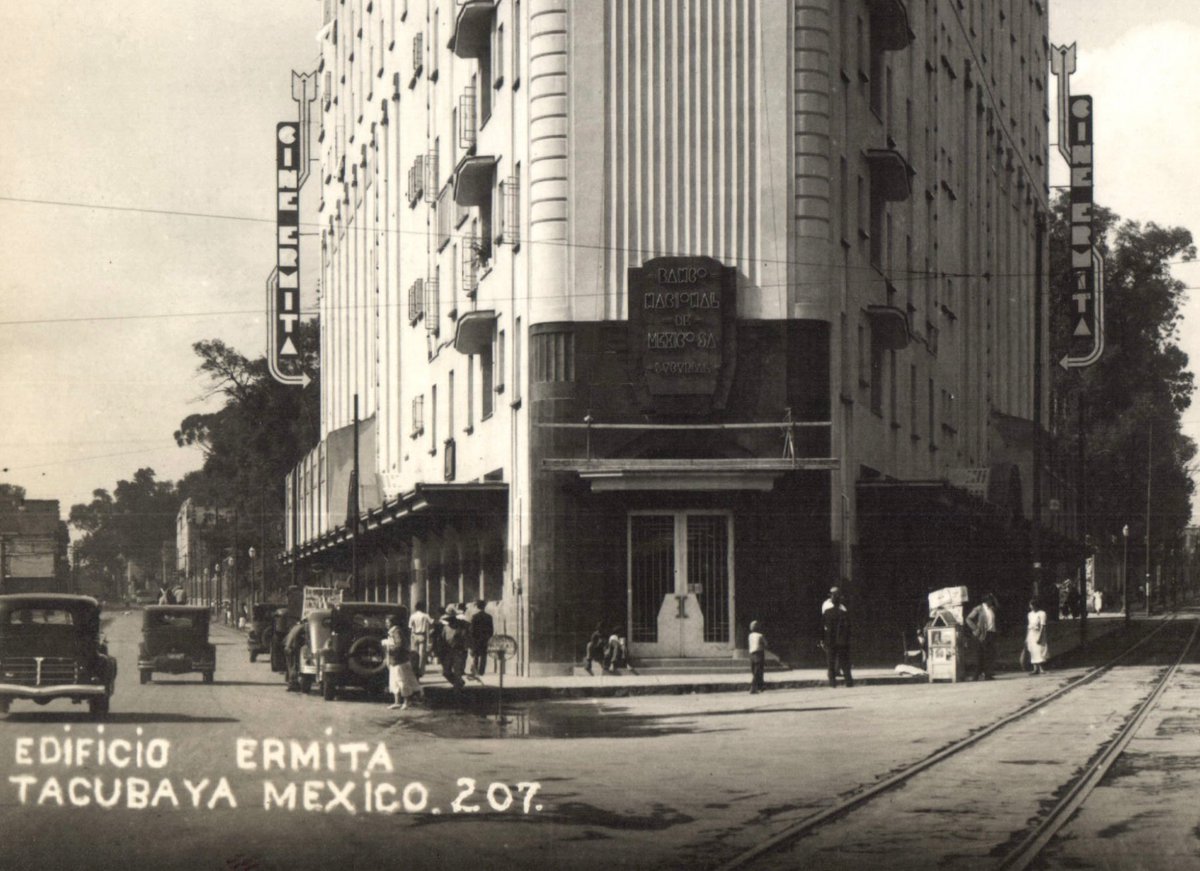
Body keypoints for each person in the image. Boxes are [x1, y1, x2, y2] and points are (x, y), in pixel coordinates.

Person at [382, 614, 423, 709]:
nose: (386, 624)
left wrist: (388, 646)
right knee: (394, 682)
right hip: (394, 660)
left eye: (388, 622)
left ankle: (406, 701)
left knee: (402, 681)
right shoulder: (392, 632)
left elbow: (399, 645)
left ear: (392, 623)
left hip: (399, 661)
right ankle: (397, 701)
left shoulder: (396, 631)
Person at [822, 591, 854, 687]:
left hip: (830, 640)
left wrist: (823, 639)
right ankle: (849, 681)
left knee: (830, 662)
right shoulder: (844, 613)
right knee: (845, 662)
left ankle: (832, 683)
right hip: (842, 641)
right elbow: (848, 627)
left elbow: (823, 627)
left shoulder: (827, 612)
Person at [435, 605, 469, 690]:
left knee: (457, 671)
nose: (450, 621)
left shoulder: (461, 628)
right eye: (449, 620)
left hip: (458, 651)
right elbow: (442, 639)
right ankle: (458, 682)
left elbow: (465, 639)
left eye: (451, 619)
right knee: (446, 672)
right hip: (448, 651)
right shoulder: (445, 628)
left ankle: (458, 688)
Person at [966, 593, 998, 680]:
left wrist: (994, 598)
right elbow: (968, 619)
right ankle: (976, 675)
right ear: (986, 600)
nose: (991, 601)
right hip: (982, 634)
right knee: (980, 654)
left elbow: (997, 605)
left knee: (989, 654)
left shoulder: (992, 608)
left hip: (991, 633)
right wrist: (975, 628)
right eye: (990, 600)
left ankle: (988, 674)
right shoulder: (979, 608)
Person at [408, 600, 434, 678]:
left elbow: (410, 626)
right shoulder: (425, 615)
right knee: (422, 654)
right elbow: (432, 622)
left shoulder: (412, 616)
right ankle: (420, 671)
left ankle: (414, 669)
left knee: (414, 654)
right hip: (422, 635)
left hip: (414, 635)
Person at [468, 600, 494, 677]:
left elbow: (472, 630)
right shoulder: (489, 617)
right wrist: (488, 637)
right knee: (484, 655)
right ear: (484, 607)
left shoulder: (475, 616)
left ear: (477, 607)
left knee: (475, 655)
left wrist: (472, 639)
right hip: (485, 639)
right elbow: (491, 630)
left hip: (476, 639)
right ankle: (481, 671)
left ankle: (475, 670)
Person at [1025, 599, 1048, 676]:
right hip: (1031, 634)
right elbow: (1029, 626)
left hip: (1038, 633)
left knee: (1039, 650)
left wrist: (1040, 637)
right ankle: (1035, 669)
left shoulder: (1042, 613)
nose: (1031, 607)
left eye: (1032, 605)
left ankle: (1041, 668)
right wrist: (1026, 637)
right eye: (1030, 605)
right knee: (1032, 650)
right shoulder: (1029, 614)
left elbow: (1043, 626)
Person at [748, 620, 767, 693]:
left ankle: (761, 686)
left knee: (755, 671)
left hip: (751, 654)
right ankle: (753, 688)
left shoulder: (750, 636)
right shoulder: (760, 635)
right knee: (758, 671)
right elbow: (766, 643)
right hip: (759, 654)